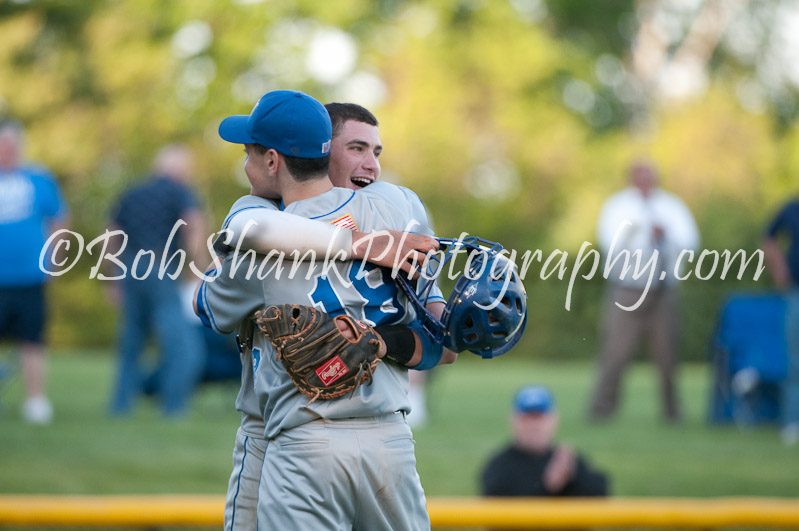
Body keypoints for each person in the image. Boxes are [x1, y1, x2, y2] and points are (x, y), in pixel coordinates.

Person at [197, 92, 455, 530]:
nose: (370, 163)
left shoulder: (257, 240)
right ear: (325, 153)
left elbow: (209, 310)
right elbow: (442, 342)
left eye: (249, 153)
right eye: (356, 148)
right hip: (391, 440)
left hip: (302, 440)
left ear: (274, 160)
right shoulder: (398, 208)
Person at [588, 159, 699, 422]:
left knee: (667, 354)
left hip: (664, 289)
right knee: (615, 351)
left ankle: (672, 413)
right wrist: (642, 231)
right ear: (631, 178)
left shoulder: (672, 206)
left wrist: (666, 233)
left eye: (649, 176)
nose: (645, 181)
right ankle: (602, 410)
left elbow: (690, 242)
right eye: (640, 176)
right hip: (628, 288)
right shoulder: (618, 206)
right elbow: (610, 241)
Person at [107, 144, 208, 418]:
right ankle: (173, 406)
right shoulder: (180, 191)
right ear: (180, 170)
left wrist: (113, 279)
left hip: (130, 269)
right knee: (181, 344)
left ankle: (120, 407)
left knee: (132, 343)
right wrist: (196, 270)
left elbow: (112, 234)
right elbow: (194, 225)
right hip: (161, 267)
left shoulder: (133, 192)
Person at [0, 118, 68, 424]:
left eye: (11, 144)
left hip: (30, 277)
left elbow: (59, 220)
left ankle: (35, 401)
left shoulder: (39, 179)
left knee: (32, 340)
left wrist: (55, 259)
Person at [481, 385, 609, 498]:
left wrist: (573, 478)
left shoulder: (567, 460)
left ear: (554, 420)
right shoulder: (499, 466)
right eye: (527, 418)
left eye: (539, 417)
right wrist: (548, 487)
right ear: (513, 420)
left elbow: (600, 495)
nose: (533, 425)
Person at [763, 196, 799, 445]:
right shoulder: (791, 207)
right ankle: (792, 421)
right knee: (795, 359)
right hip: (796, 291)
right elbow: (768, 238)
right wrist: (779, 270)